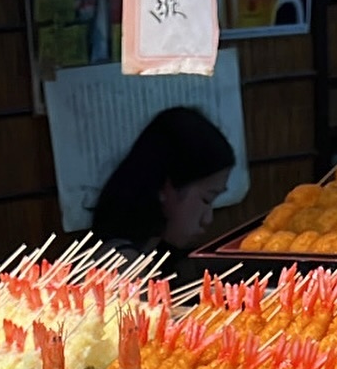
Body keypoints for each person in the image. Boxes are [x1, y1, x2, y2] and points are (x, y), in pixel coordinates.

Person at [91, 108, 236, 274]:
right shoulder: (119, 265)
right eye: (206, 199)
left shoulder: (152, 250)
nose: (207, 219)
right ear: (164, 187)